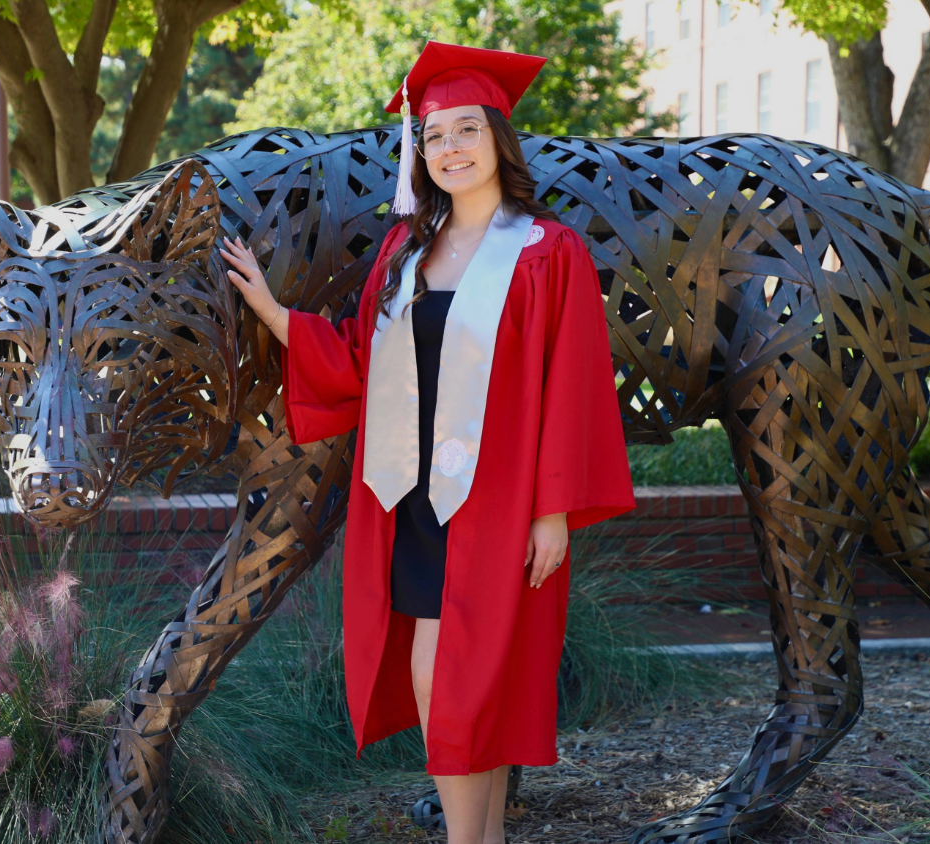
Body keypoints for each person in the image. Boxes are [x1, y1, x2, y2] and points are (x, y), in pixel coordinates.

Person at [218, 41, 635, 844]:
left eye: (467, 130)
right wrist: (272, 312)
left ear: (499, 139)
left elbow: (573, 387)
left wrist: (553, 511)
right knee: (443, 676)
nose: (450, 148)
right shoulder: (406, 252)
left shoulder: (548, 253)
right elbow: (361, 362)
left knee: (476, 681)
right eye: (434, 135)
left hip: (499, 496)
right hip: (411, 496)